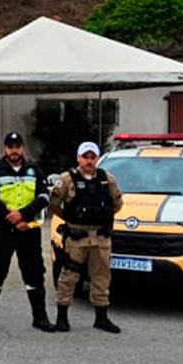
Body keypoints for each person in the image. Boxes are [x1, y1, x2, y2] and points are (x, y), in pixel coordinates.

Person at [0, 131, 52, 333]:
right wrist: (9, 216)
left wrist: (23, 215)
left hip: (27, 229)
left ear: (22, 148)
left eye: (18, 146)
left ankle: (40, 318)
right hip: (2, 230)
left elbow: (43, 197)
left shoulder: (34, 170)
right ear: (5, 148)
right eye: (10, 147)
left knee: (35, 274)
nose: (14, 150)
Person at [49, 141, 124, 333]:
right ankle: (62, 318)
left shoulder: (107, 179)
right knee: (69, 277)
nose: (89, 161)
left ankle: (101, 318)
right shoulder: (66, 180)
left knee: (101, 277)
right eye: (85, 157)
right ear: (78, 158)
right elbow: (54, 204)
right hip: (76, 237)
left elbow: (117, 204)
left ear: (97, 158)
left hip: (100, 238)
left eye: (92, 157)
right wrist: (70, 219)